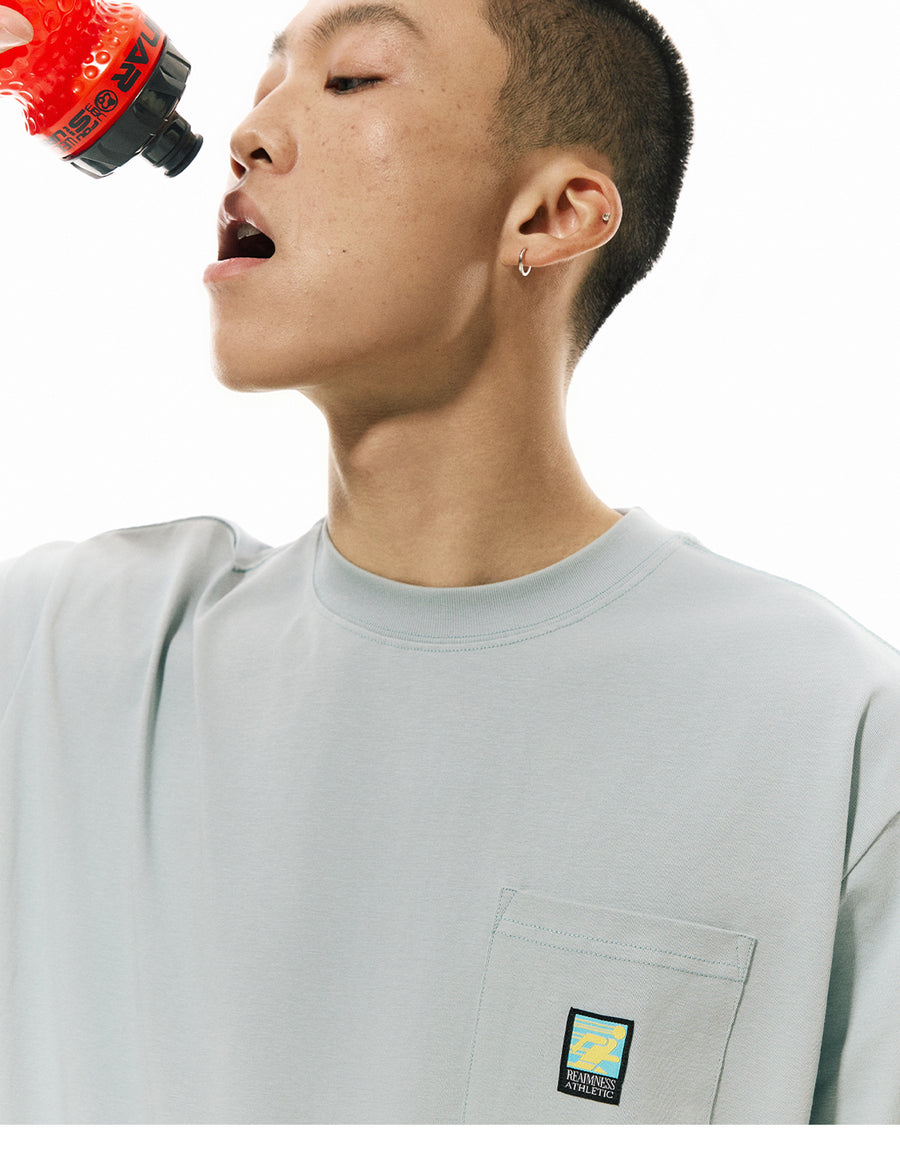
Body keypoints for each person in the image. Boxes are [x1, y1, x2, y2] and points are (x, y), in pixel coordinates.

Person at [0, 0, 897, 1125]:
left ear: (553, 215)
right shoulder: (68, 656)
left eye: (353, 80)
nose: (250, 135)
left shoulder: (826, 729)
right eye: (266, 85)